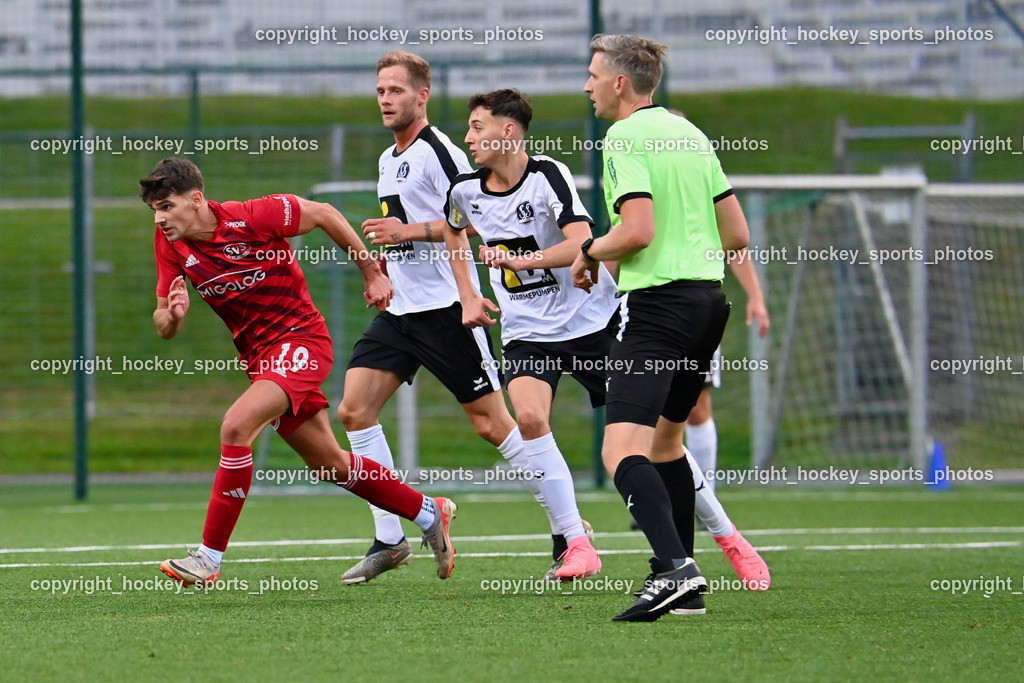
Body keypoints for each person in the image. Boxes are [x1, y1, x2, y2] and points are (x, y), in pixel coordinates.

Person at [337, 51, 596, 584]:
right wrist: (384, 265)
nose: (385, 99)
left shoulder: (443, 152)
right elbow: (408, 222)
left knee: (495, 425)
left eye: (396, 91)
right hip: (402, 311)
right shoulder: (390, 158)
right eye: (380, 90)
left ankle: (567, 529)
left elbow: (479, 219)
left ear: (421, 96)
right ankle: (391, 536)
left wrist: (411, 238)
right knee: (354, 410)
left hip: (447, 310)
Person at [141, 157, 456, 586]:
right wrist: (174, 316)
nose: (160, 218)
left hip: (302, 341)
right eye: (154, 210)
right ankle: (427, 511)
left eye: (166, 206)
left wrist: (369, 271)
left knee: (235, 427)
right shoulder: (170, 246)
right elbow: (163, 324)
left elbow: (325, 213)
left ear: (196, 200)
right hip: (261, 361)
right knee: (331, 465)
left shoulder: (253, 216)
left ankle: (209, 558)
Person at [571, 34, 754, 621]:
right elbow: (738, 235)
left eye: (594, 74)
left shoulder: (622, 137)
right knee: (667, 444)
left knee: (620, 448)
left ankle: (675, 570)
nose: (587, 85)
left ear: (620, 83)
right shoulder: (690, 133)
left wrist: (592, 249)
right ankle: (687, 592)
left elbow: (639, 231)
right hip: (708, 303)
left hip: (657, 307)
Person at [445, 88, 615, 581]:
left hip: (589, 322)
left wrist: (523, 260)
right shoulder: (464, 189)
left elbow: (581, 244)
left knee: (646, 435)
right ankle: (576, 542)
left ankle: (724, 533)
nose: (469, 137)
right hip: (526, 330)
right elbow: (455, 230)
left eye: (478, 127)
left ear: (509, 131)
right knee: (529, 418)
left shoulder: (548, 175)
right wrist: (469, 293)